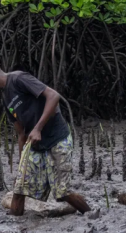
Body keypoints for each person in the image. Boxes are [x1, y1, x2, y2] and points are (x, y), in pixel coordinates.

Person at [0, 69, 90, 216]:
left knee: (62, 193)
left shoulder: (18, 79)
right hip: (36, 146)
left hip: (57, 139)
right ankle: (17, 222)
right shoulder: (5, 97)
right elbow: (22, 133)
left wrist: (38, 128)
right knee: (19, 188)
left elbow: (54, 96)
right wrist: (22, 163)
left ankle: (91, 215)